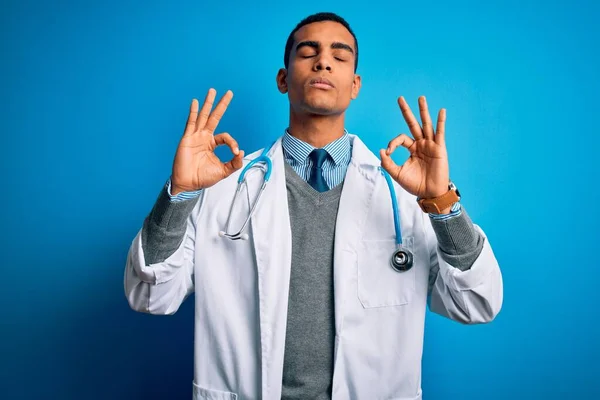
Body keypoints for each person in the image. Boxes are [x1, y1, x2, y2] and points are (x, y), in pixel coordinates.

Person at [124, 11, 503, 400]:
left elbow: (476, 302)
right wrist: (180, 193)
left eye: (339, 56)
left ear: (354, 85)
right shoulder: (224, 187)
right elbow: (150, 294)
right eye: (309, 52)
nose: (323, 61)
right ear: (283, 79)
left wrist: (442, 203)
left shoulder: (405, 196)